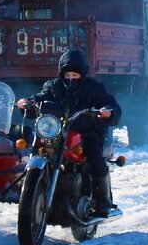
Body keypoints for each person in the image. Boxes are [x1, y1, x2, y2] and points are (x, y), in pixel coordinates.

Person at [16, 48, 122, 217]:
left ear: (82, 74)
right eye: (68, 75)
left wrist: (108, 111)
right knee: (36, 149)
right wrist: (27, 103)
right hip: (56, 132)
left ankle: (104, 201)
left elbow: (110, 104)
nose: (71, 78)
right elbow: (40, 97)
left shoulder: (94, 88)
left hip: (88, 133)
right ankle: (32, 189)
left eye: (75, 75)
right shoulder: (53, 86)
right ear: (62, 73)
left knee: (95, 157)